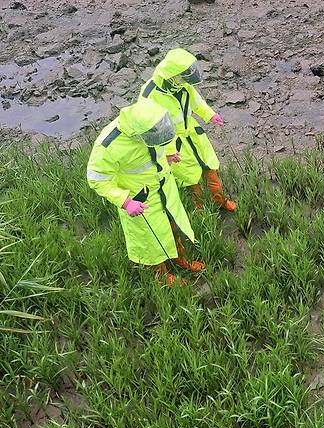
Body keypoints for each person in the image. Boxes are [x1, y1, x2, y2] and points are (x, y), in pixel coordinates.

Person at [86, 98, 205, 287]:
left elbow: (162, 138)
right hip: (140, 201)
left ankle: (180, 260)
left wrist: (168, 153)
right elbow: (97, 179)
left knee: (172, 227)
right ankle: (162, 277)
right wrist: (125, 202)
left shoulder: (154, 120)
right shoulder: (108, 145)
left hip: (165, 190)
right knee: (150, 240)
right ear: (139, 133)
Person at [139, 48, 236, 212]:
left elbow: (196, 102)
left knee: (209, 168)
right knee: (190, 179)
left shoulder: (183, 84)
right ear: (174, 75)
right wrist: (169, 151)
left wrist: (210, 115)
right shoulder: (150, 95)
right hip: (174, 144)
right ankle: (200, 210)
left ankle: (221, 201)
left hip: (193, 135)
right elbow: (152, 129)